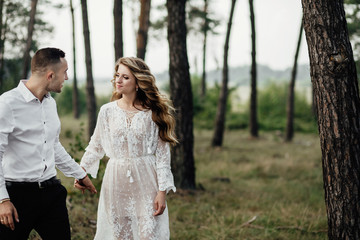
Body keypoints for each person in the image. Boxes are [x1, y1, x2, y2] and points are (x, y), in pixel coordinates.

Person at [75, 57, 177, 240]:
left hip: (147, 181)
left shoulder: (153, 112)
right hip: (116, 181)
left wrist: (162, 192)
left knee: (148, 236)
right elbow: (95, 145)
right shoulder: (107, 111)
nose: (118, 80)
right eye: (117, 75)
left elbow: (162, 155)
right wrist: (81, 172)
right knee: (122, 236)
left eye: (125, 77)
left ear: (138, 82)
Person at [0, 47, 97, 240]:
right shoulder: (7, 104)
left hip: (51, 193)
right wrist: (2, 200)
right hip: (16, 196)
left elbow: (53, 145)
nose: (67, 77)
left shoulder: (50, 103)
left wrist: (79, 174)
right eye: (65, 72)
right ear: (51, 75)